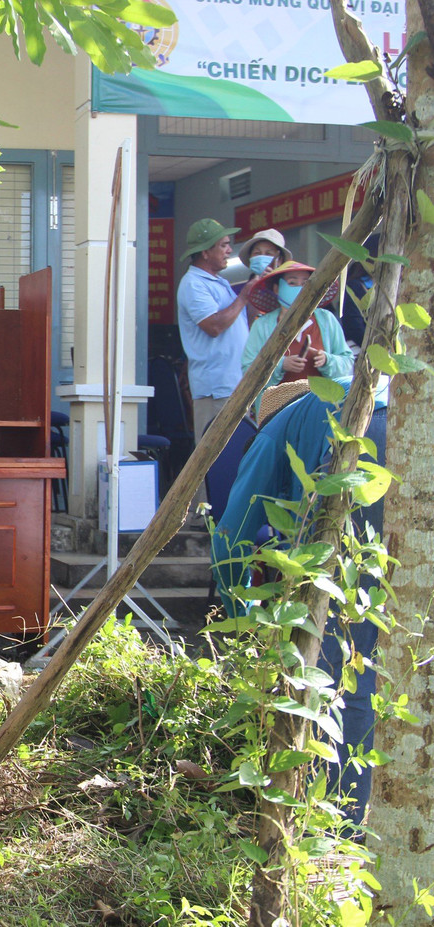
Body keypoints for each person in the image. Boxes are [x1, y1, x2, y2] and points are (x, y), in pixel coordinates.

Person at [210, 378, 386, 828]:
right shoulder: (333, 405)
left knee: (342, 669)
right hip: (407, 435)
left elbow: (229, 537)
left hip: (367, 452)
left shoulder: (272, 431)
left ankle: (342, 825)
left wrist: (242, 620)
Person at [177, 218, 261, 441]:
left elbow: (242, 324)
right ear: (205, 252)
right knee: (213, 454)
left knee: (237, 451)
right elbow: (213, 326)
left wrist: (255, 293)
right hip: (216, 388)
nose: (229, 250)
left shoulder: (219, 282)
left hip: (234, 384)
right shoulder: (193, 283)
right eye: (223, 245)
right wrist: (243, 297)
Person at [240, 260, 352, 417]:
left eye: (305, 283)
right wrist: (281, 365)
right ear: (277, 288)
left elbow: (348, 362)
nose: (299, 288)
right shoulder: (262, 325)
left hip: (321, 410)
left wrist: (327, 360)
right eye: (292, 283)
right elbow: (248, 370)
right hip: (276, 412)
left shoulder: (326, 320)